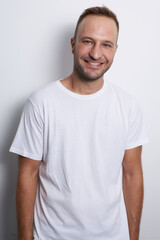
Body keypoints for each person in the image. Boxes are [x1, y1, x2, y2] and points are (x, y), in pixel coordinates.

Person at [10, 6, 148, 240]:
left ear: (115, 50)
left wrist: (133, 236)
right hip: (53, 236)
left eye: (106, 44)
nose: (96, 54)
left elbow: (132, 174)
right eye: (88, 41)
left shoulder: (127, 106)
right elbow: (27, 174)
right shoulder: (41, 103)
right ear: (73, 44)